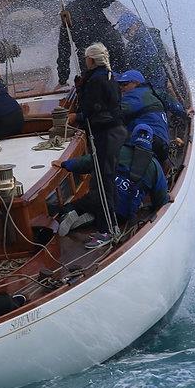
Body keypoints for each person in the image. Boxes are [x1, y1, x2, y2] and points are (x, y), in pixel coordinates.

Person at [53, 124, 168, 244]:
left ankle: (73, 213)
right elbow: (160, 199)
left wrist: (65, 164)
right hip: (124, 212)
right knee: (112, 211)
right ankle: (92, 218)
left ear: (132, 136)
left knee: (73, 207)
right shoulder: (155, 167)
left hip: (100, 198)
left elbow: (87, 162)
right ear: (150, 141)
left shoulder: (116, 151)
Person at [70, 43, 128, 247]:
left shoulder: (96, 81)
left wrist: (74, 116)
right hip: (115, 132)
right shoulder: (109, 76)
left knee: (104, 184)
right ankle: (112, 227)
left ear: (91, 60)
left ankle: (107, 232)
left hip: (105, 135)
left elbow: (92, 111)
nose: (85, 61)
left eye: (86, 58)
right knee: (107, 181)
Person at [57, 0, 128, 87]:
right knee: (122, 77)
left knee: (94, 85)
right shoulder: (89, 2)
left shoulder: (67, 20)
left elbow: (64, 53)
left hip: (93, 56)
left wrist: (62, 80)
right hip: (112, 46)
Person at [117, 69, 183, 162]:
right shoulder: (155, 92)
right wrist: (185, 112)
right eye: (119, 85)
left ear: (136, 83)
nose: (121, 88)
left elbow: (115, 113)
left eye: (124, 84)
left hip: (148, 141)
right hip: (163, 145)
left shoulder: (134, 96)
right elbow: (177, 108)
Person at [116, 11, 170, 91]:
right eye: (123, 32)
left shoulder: (149, 39)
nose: (126, 35)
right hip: (142, 84)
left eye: (127, 30)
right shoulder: (133, 43)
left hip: (153, 86)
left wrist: (129, 77)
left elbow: (150, 64)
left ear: (137, 24)